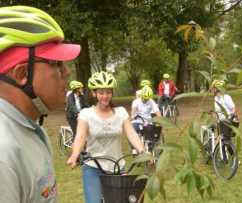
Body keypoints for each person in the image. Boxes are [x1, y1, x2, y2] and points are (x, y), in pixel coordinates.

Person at [0, 5, 80, 203]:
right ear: (22, 74)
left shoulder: (31, 128)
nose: (67, 72)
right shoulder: (4, 151)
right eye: (56, 63)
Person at [67, 71, 145, 203]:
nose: (105, 96)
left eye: (108, 92)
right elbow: (80, 137)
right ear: (94, 93)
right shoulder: (86, 114)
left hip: (117, 168)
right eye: (101, 92)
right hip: (93, 168)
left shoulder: (120, 113)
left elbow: (131, 133)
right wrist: (75, 155)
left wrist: (143, 152)